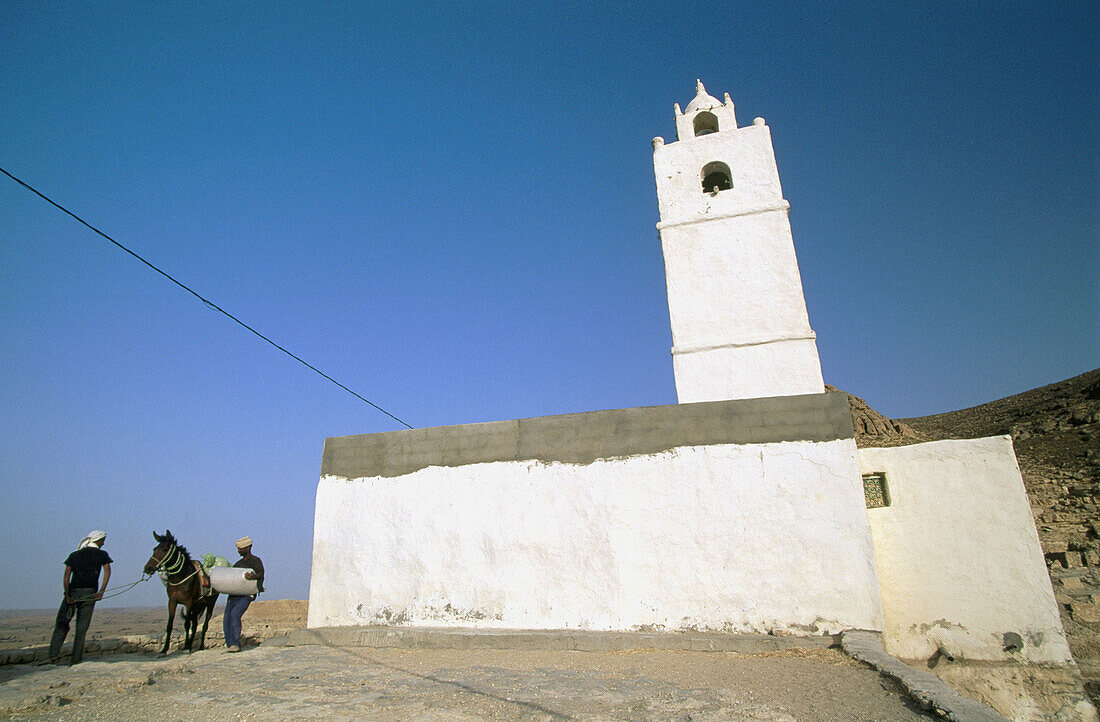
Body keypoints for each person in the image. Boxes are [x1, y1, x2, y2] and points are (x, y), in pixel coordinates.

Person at [48, 530, 112, 665]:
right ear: (98, 540)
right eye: (103, 540)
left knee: (62, 623)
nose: (104, 543)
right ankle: (76, 659)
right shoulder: (102, 555)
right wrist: (101, 591)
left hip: (73, 592)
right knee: (82, 627)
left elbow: (67, 576)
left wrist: (67, 594)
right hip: (90, 593)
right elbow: (107, 572)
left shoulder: (75, 555)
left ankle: (53, 656)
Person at [223, 536, 264, 652]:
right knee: (227, 618)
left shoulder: (256, 561)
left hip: (246, 595)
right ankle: (230, 644)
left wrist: (252, 576)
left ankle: (235, 643)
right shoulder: (238, 564)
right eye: (238, 549)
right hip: (234, 595)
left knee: (235, 614)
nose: (239, 551)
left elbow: (260, 573)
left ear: (249, 547)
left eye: (241, 549)